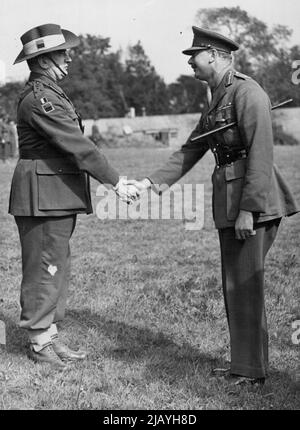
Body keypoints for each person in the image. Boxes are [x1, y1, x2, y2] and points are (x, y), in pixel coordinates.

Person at [127, 27, 299, 385]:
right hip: (233, 201)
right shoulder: (218, 97)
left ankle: (250, 372)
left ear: (215, 55)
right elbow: (192, 148)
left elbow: (261, 153)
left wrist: (248, 210)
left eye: (195, 55)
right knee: (236, 284)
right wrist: (149, 183)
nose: (190, 62)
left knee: (244, 286)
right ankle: (248, 365)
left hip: (253, 204)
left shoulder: (247, 92)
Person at [9, 23, 136, 369]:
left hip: (54, 192)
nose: (68, 59)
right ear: (45, 58)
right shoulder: (41, 98)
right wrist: (115, 181)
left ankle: (47, 334)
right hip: (43, 193)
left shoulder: (50, 92)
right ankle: (37, 341)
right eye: (63, 53)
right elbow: (77, 144)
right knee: (44, 266)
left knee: (56, 264)